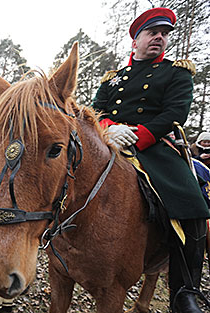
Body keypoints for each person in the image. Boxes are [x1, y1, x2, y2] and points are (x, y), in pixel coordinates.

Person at [92, 7, 209, 313]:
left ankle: (185, 290)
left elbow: (175, 114)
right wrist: (108, 130)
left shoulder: (176, 73)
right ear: (136, 40)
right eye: (152, 32)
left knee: (192, 200)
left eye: (164, 34)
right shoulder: (113, 78)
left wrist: (139, 134)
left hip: (153, 147)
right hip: (110, 143)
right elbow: (95, 113)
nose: (159, 37)